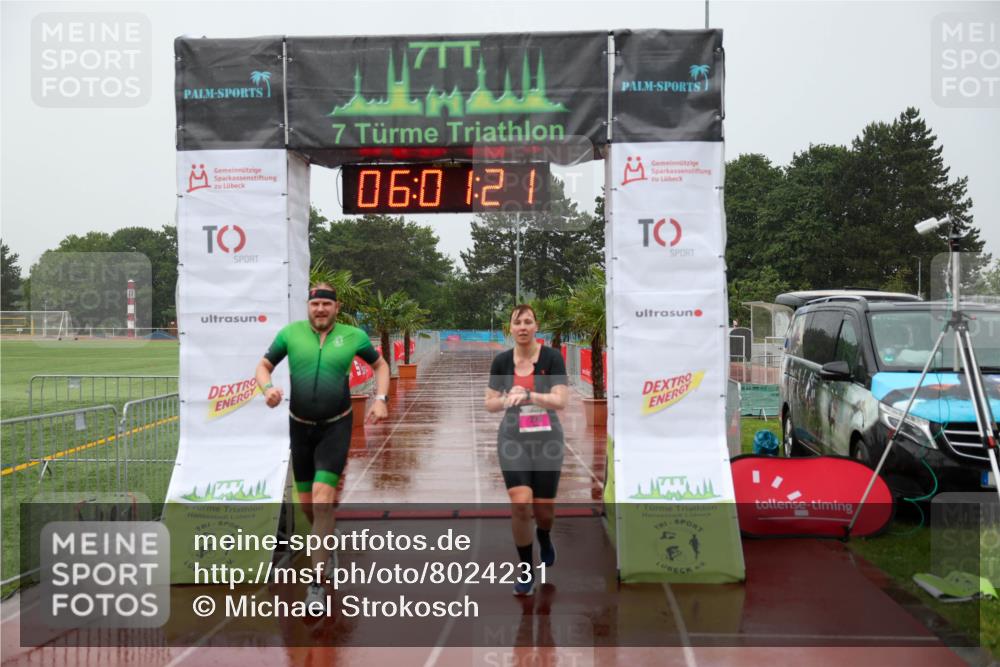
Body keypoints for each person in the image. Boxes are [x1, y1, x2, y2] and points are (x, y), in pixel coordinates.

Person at [256, 283, 389, 606]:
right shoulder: (291, 334)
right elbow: (263, 367)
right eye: (315, 304)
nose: (320, 310)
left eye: (326, 305)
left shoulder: (352, 336)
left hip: (335, 427)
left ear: (336, 307)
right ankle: (325, 539)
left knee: (322, 499)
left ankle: (316, 583)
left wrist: (380, 398)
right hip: (300, 428)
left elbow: (381, 366)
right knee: (308, 507)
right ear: (308, 307)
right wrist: (267, 389)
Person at [485, 304, 568, 596]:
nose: (522, 327)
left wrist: (531, 395)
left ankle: (544, 536)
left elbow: (560, 401)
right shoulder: (502, 362)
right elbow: (490, 402)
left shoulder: (552, 358)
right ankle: (525, 568)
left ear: (536, 327)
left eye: (528, 321)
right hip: (512, 438)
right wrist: (507, 400)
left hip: (547, 440)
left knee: (544, 512)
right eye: (517, 322)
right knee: (520, 502)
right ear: (510, 328)